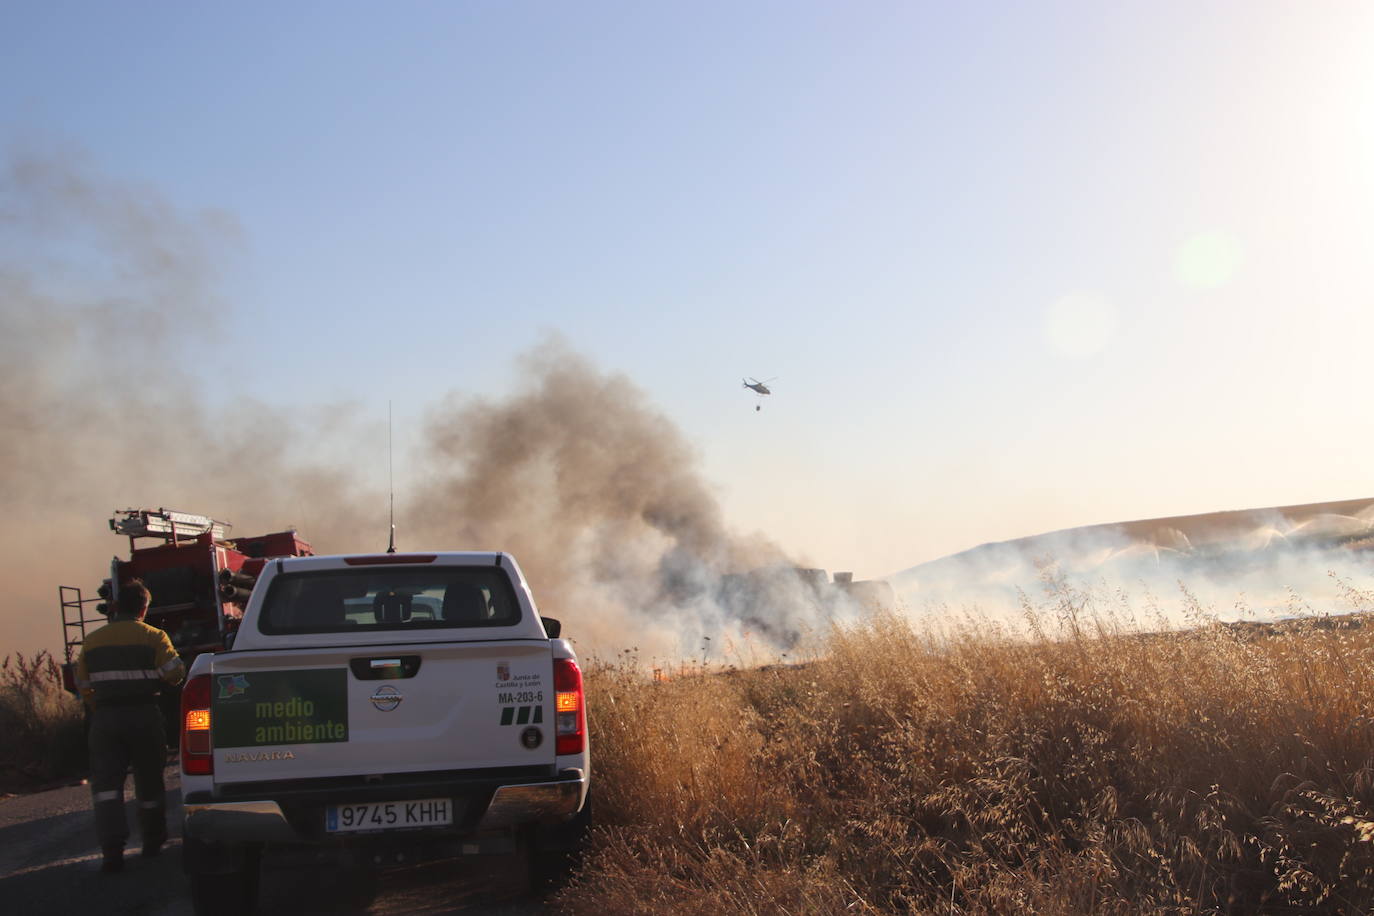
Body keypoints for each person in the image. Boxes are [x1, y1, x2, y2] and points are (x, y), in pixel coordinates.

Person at [75, 579, 185, 873]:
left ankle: (112, 851)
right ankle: (152, 841)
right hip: (144, 716)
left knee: (107, 788)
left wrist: (100, 709)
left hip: (106, 720)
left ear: (115, 607)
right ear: (144, 608)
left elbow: (83, 685)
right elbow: (174, 674)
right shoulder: (154, 636)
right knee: (149, 782)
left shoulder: (92, 640)